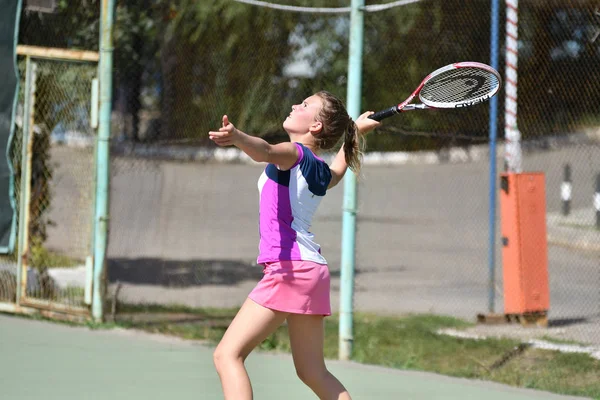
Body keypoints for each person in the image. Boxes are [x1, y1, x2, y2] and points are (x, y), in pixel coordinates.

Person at [208, 91, 380, 400]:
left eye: (303, 106)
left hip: (289, 268)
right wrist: (354, 134)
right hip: (311, 271)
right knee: (312, 371)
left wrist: (237, 136)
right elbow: (337, 174)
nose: (293, 105)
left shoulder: (295, 154)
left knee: (227, 355)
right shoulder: (316, 166)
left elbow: (264, 150)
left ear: (315, 126)